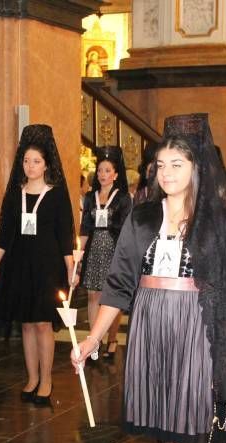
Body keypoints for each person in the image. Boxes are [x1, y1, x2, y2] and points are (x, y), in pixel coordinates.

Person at [71, 113, 226, 443]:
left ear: (197, 168)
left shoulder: (220, 222)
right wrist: (91, 340)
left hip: (197, 329)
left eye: (178, 164)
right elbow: (118, 285)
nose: (168, 173)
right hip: (151, 325)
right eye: (162, 164)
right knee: (161, 427)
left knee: (185, 431)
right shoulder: (142, 216)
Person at [0, 124, 74, 405]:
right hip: (19, 264)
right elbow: (5, 232)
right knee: (26, 324)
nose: (30, 166)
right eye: (26, 161)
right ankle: (32, 377)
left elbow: (65, 235)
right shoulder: (15, 193)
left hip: (48, 266)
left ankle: (47, 379)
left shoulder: (57, 194)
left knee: (42, 324)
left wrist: (71, 267)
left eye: (36, 161)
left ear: (47, 164)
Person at [78, 146, 132, 359]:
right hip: (94, 249)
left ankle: (111, 338)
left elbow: (126, 228)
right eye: (100, 170)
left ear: (116, 174)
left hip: (114, 248)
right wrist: (79, 252)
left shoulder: (123, 198)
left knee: (111, 295)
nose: (102, 174)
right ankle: (95, 341)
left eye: (107, 170)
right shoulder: (91, 197)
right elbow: (84, 227)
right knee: (93, 295)